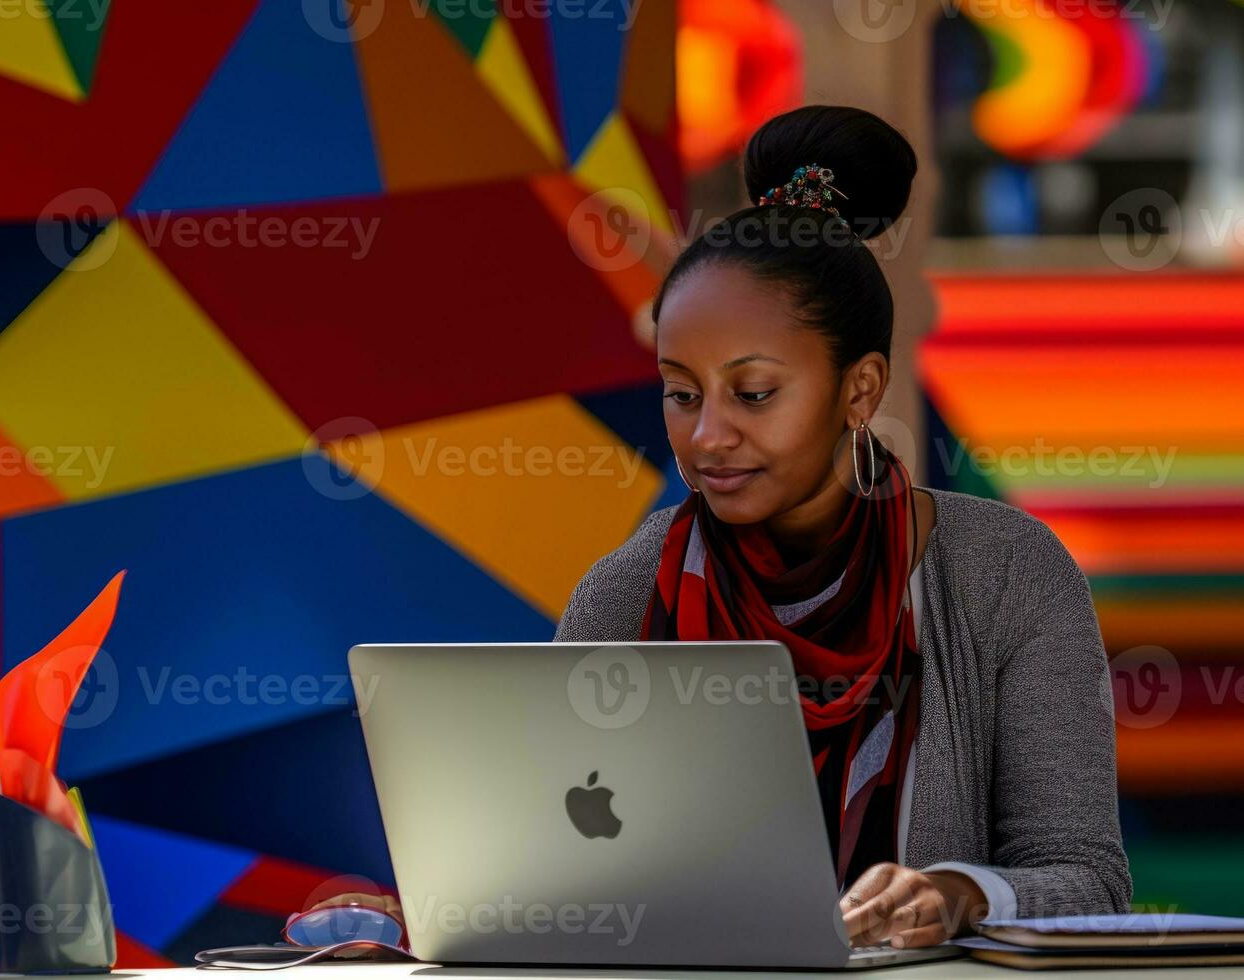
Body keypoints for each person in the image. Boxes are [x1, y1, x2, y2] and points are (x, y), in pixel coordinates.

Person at [311, 104, 1131, 954]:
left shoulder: (1006, 574)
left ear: (859, 390)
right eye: (680, 391)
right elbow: (552, 879)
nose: (706, 436)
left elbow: (1085, 877)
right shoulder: (627, 591)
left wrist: (958, 892)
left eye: (753, 393)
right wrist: (424, 922)